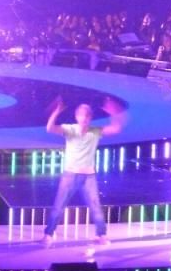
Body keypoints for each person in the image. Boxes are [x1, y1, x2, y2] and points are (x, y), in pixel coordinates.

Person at [43, 97, 126, 247]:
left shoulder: (95, 131)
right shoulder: (70, 129)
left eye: (87, 115)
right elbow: (49, 128)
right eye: (81, 115)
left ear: (90, 118)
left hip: (89, 176)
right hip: (70, 174)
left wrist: (114, 114)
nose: (84, 118)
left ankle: (101, 235)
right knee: (59, 206)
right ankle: (48, 234)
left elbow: (116, 129)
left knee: (95, 207)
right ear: (77, 116)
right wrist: (56, 112)